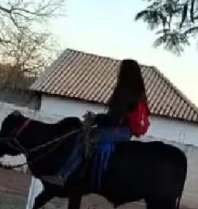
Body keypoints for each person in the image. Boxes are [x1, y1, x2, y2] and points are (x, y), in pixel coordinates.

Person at [41, 59, 150, 187]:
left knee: (83, 140)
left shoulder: (124, 92)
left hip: (116, 131)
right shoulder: (139, 94)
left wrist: (96, 118)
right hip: (126, 133)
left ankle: (62, 176)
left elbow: (113, 119)